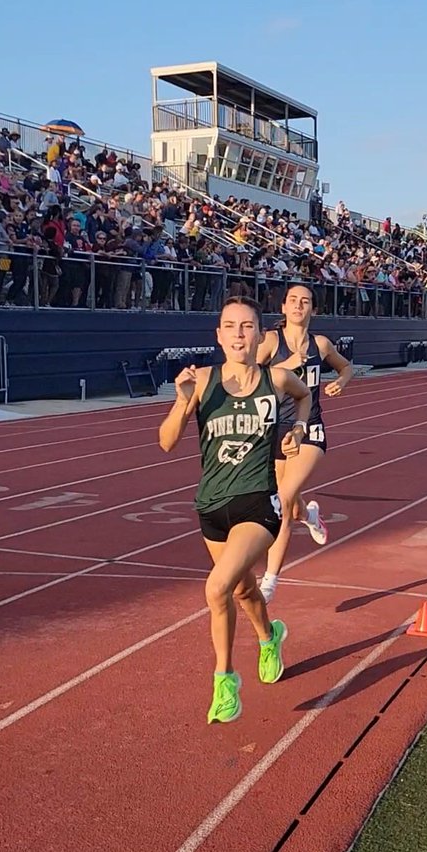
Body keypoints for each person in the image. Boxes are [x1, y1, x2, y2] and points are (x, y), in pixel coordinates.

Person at [158, 296, 312, 724]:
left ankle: (225, 681)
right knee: (242, 591)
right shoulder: (202, 380)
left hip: (258, 502)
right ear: (219, 335)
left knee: (216, 588)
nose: (239, 334)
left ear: (260, 335)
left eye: (247, 326)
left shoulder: (276, 378)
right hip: (211, 506)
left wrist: (299, 430)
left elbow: (304, 397)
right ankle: (269, 637)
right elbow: (166, 442)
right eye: (231, 326)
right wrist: (181, 401)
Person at [256, 282, 353, 603]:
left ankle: (269, 581)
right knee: (288, 497)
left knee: (282, 503)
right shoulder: (272, 341)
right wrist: (286, 366)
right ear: (283, 307)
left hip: (309, 427)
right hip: (274, 429)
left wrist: (341, 381)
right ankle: (310, 515)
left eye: (305, 301)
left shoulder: (320, 344)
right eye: (293, 300)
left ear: (313, 308)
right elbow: (249, 376)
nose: (299, 305)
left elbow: (346, 366)